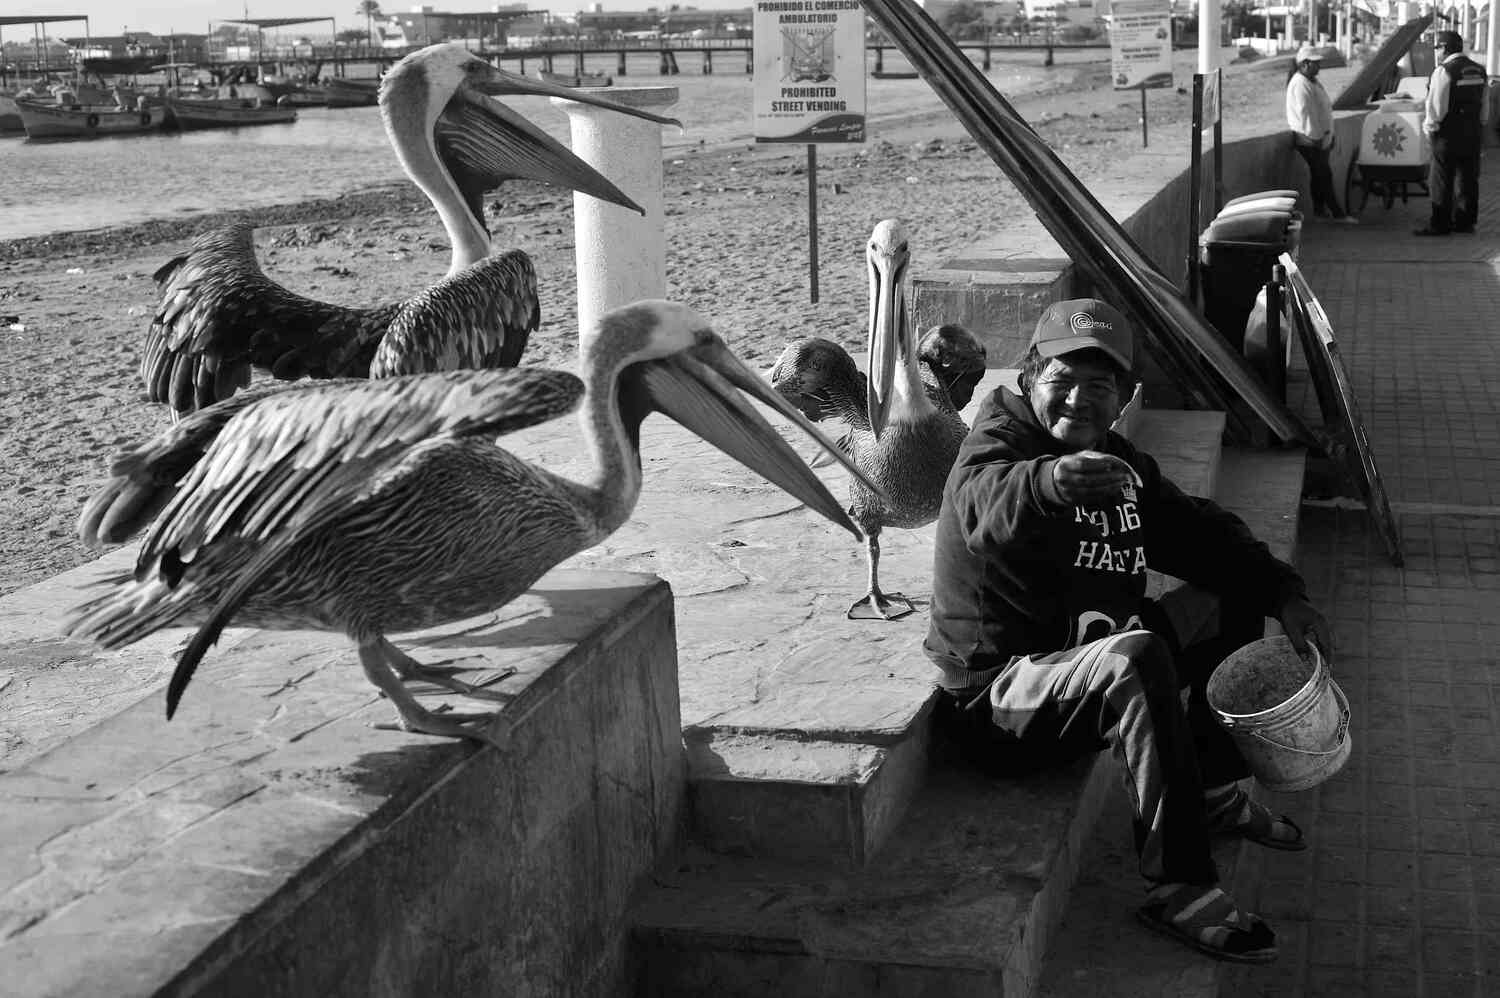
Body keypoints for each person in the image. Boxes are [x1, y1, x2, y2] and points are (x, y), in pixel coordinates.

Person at [925, 298, 1333, 964]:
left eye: (1101, 384)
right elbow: (981, 502)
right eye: (1063, 378)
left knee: (1230, 590)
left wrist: (1286, 595)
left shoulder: (1117, 462)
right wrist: (1049, 483)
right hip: (1000, 701)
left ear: (1122, 398)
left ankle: (1209, 789)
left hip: (1090, 672)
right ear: (1028, 375)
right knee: (1133, 658)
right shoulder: (996, 445)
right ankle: (1181, 885)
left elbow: (1201, 534)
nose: (1079, 399)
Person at [1415, 30, 1487, 236]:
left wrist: (1429, 129)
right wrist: (1480, 126)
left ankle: (1440, 224)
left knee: (1441, 179)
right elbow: (1484, 106)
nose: (1436, 52)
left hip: (1448, 134)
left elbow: (1436, 107)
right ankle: (1465, 223)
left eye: (1437, 48)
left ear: (1445, 48)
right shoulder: (1480, 70)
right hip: (1472, 132)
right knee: (1468, 178)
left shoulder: (1444, 71)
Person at [1285, 45, 1358, 223]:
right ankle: (1338, 214)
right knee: (1324, 175)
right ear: (1305, 64)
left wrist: (1328, 135)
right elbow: (1307, 115)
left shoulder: (1312, 82)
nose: (1319, 66)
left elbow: (1322, 110)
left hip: (1319, 138)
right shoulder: (1300, 84)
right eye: (1315, 63)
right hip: (1309, 139)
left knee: (1319, 176)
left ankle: (1320, 212)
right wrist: (1317, 138)